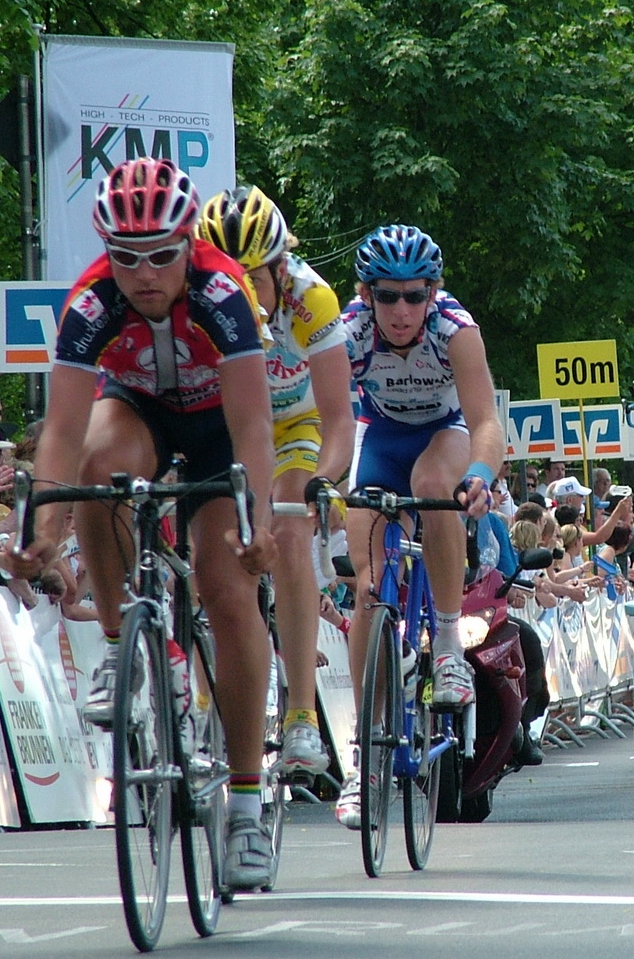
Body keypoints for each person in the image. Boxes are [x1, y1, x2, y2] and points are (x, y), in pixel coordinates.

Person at [5, 157, 282, 890]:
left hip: (219, 428)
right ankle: (118, 639)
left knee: (226, 589)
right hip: (140, 412)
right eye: (126, 257)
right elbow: (62, 431)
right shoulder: (91, 300)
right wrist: (43, 526)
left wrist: (255, 520)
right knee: (97, 465)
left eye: (162, 255)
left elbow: (254, 427)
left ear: (189, 243)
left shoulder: (224, 293)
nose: (145, 274)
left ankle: (245, 809)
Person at [336, 224, 503, 829]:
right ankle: (363, 760)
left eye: (415, 295)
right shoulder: (348, 332)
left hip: (443, 434)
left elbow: (486, 421)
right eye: (387, 295)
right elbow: (327, 417)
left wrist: (479, 475)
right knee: (367, 586)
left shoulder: (454, 329)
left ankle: (449, 643)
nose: (401, 309)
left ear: (434, 292)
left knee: (435, 486)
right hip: (379, 439)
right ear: (366, 294)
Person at [197, 185, 356, 779]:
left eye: (253, 281)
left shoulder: (311, 298)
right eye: (227, 280)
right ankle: (198, 695)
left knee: (289, 529)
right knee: (211, 547)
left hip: (296, 427)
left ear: (280, 269)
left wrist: (324, 482)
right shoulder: (195, 297)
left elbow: (339, 418)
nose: (239, 296)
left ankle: (300, 717)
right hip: (228, 424)